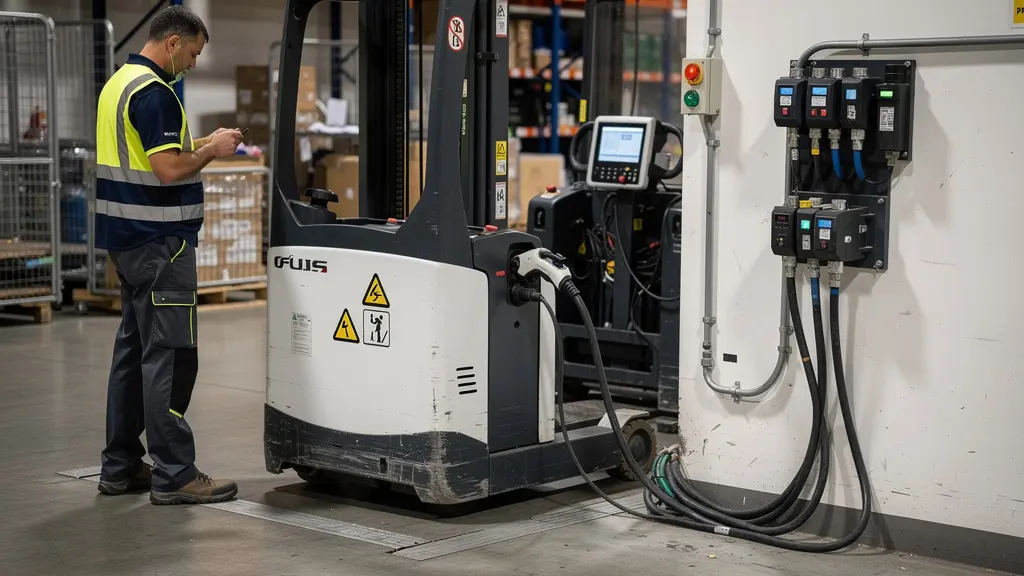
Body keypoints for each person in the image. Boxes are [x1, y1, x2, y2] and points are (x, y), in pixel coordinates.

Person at [93, 5, 241, 505]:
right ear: (173, 42)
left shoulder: (119, 84)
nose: (193, 64)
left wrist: (203, 142)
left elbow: (152, 153)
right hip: (161, 244)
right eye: (193, 53)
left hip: (127, 241)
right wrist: (213, 151)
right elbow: (169, 169)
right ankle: (175, 473)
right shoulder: (155, 93)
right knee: (171, 357)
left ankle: (119, 466)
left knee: (132, 354)